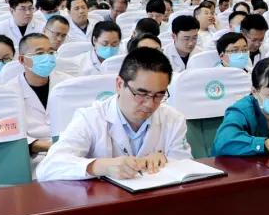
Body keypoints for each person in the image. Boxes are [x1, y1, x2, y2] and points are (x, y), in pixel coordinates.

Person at [36, 48, 191, 181]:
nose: (150, 104)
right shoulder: (90, 118)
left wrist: (166, 161)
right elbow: (47, 168)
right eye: (141, 94)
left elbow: (187, 167)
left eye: (159, 95)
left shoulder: (173, 119)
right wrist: (99, 166)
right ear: (119, 84)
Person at [12, 33, 71, 167]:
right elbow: (12, 134)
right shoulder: (9, 93)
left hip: (70, 151)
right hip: (33, 158)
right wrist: (50, 146)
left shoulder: (68, 83)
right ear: (22, 60)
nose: (47, 57)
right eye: (39, 53)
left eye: (50, 52)